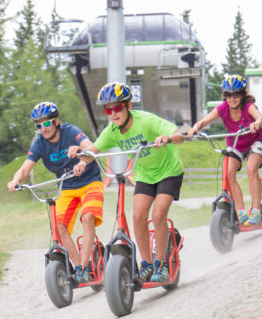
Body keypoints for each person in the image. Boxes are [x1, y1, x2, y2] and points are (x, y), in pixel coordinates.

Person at [69, 82, 187, 284]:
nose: (112, 113)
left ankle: (161, 265)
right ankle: (147, 265)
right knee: (138, 216)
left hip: (169, 171)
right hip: (145, 174)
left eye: (117, 107)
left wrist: (166, 138)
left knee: (158, 215)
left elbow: (180, 137)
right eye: (108, 109)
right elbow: (93, 152)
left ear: (128, 106)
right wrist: (82, 161)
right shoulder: (112, 131)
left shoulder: (146, 121)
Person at [7, 101, 103, 283]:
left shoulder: (70, 131)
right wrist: (15, 180)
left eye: (46, 123)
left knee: (88, 218)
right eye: (38, 125)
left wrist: (81, 153)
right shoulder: (39, 144)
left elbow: (91, 148)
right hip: (66, 187)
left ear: (55, 120)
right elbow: (25, 169)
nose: (43, 128)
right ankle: (80, 268)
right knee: (59, 227)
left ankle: (85, 264)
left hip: (90, 180)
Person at [189, 74, 262, 226]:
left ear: (242, 94)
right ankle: (242, 213)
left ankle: (256, 211)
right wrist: (196, 127)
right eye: (228, 95)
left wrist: (256, 123)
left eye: (236, 94)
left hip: (254, 141)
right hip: (236, 143)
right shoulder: (223, 108)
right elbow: (204, 120)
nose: (232, 99)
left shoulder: (248, 106)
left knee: (251, 170)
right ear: (225, 96)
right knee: (229, 173)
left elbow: (260, 118)